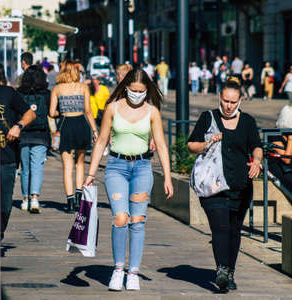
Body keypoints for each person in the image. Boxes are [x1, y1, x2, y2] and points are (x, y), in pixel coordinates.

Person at [83, 69, 174, 291]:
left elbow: (161, 145)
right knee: (120, 218)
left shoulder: (152, 112)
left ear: (147, 91)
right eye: (133, 91)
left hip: (142, 168)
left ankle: (133, 272)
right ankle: (118, 269)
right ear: (125, 87)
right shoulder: (112, 108)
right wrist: (91, 174)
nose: (137, 95)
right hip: (116, 167)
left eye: (141, 91)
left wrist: (168, 177)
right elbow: (102, 140)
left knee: (138, 220)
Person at [187, 78, 263, 292]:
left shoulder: (247, 121)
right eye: (225, 101)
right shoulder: (207, 117)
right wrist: (208, 142)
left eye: (233, 102)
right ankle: (221, 270)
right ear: (219, 98)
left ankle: (229, 271)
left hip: (240, 184)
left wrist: (257, 161)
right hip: (213, 185)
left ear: (240, 101)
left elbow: (256, 145)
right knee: (220, 227)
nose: (228, 106)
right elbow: (192, 145)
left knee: (234, 230)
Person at [49, 60, 98, 213]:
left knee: (67, 165)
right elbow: (88, 111)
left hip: (65, 124)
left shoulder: (57, 89)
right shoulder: (83, 87)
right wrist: (95, 130)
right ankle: (78, 198)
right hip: (81, 124)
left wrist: (62, 111)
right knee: (80, 163)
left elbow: (51, 113)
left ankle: (69, 202)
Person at [0, 64, 36, 239]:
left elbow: (30, 114)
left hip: (6, 158)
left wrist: (18, 126)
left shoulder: (8, 93)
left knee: (5, 205)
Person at [17, 65, 51, 213]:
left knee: (25, 169)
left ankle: (25, 199)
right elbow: (51, 113)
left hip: (23, 134)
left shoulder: (19, 93)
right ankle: (35, 198)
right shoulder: (46, 94)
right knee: (37, 167)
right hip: (41, 135)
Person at [268, 105, 292, 196]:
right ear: (289, 119)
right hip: (282, 169)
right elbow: (286, 159)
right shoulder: (274, 134)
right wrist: (291, 140)